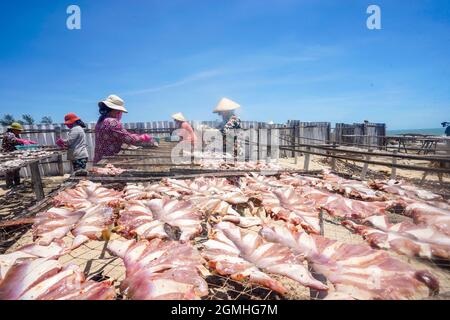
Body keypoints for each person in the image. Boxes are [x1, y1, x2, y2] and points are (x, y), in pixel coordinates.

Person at [94, 94, 156, 163]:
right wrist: (144, 137)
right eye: (120, 111)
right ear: (116, 110)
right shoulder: (113, 122)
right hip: (108, 162)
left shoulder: (101, 121)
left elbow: (121, 135)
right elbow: (129, 139)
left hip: (99, 160)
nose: (121, 114)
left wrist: (134, 135)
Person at [1, 122, 37, 188]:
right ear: (14, 129)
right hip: (9, 155)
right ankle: (10, 185)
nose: (20, 132)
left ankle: (17, 184)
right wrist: (22, 141)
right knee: (10, 170)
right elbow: (13, 140)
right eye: (19, 130)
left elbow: (19, 141)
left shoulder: (15, 134)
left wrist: (27, 141)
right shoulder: (9, 134)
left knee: (16, 169)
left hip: (15, 154)